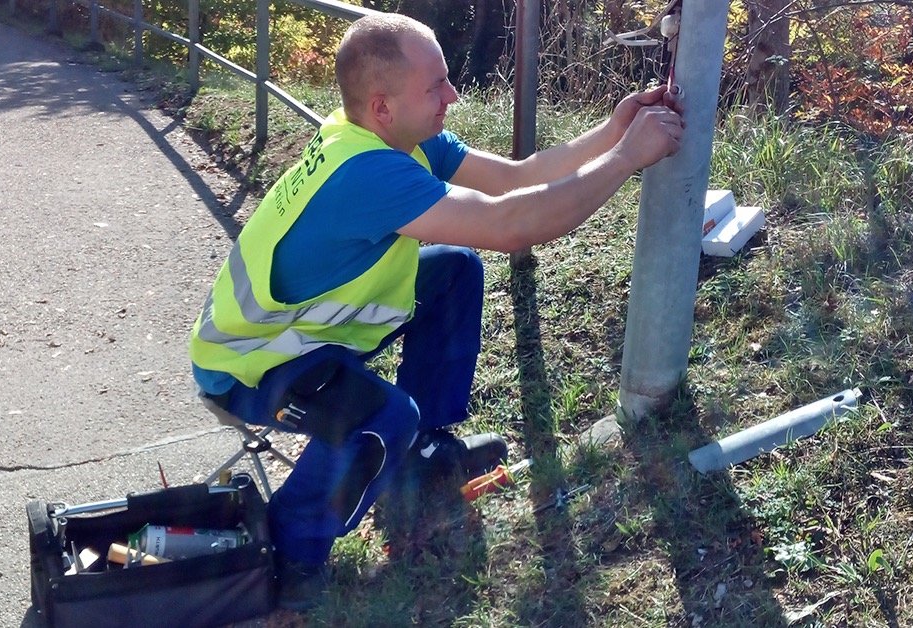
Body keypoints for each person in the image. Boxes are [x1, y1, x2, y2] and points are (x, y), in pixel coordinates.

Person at [189, 12, 683, 611]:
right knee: (382, 418)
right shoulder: (367, 173)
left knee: (452, 269)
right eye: (436, 87)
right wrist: (628, 159)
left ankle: (420, 453)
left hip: (314, 335)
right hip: (249, 368)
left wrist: (613, 133)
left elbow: (512, 179)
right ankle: (290, 553)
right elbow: (511, 226)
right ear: (382, 106)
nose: (453, 95)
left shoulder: (386, 136)